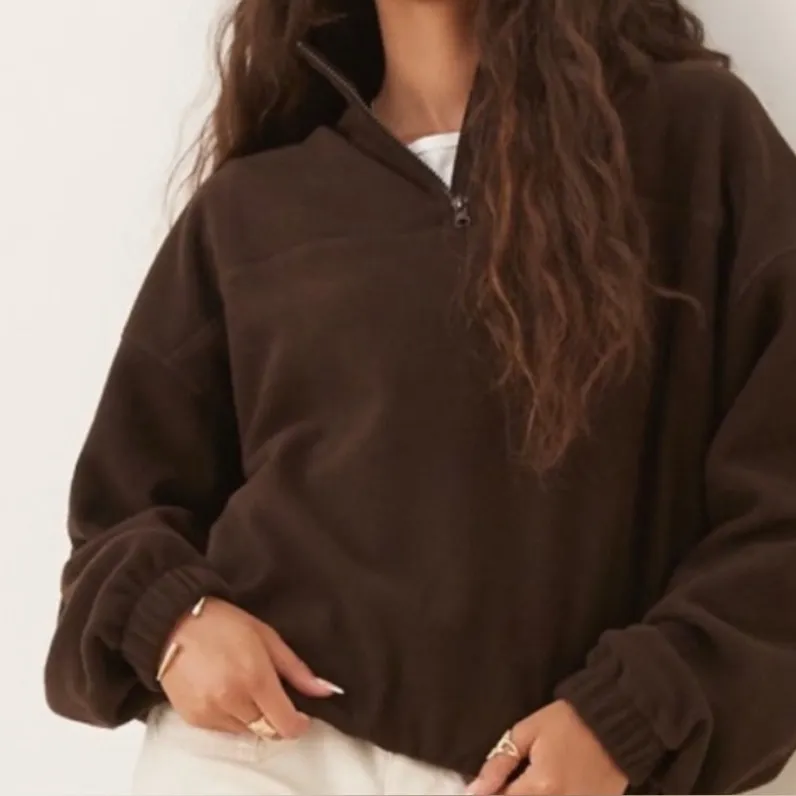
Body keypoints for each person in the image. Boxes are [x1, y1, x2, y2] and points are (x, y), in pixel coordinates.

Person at [44, 1, 796, 794]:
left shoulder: (695, 140)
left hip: (570, 773)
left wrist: (635, 716)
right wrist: (172, 621)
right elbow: (116, 514)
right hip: (264, 758)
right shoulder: (254, 204)